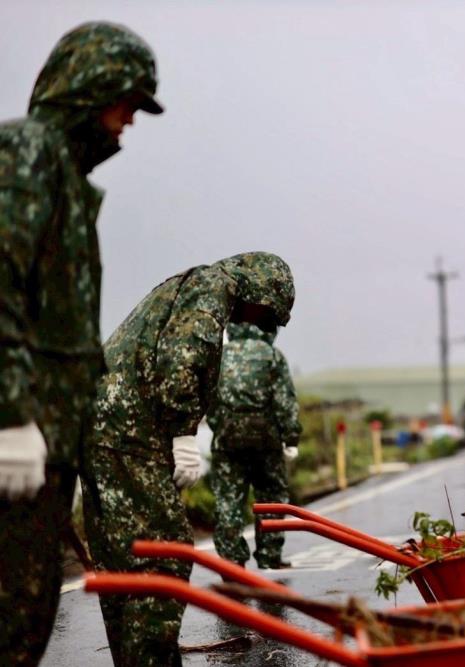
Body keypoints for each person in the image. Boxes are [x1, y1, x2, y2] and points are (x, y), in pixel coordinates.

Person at [0, 22, 163, 666]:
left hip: (44, 450)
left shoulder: (64, 178)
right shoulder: (29, 151)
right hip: (18, 441)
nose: (129, 122)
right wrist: (10, 415)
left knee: (26, 621)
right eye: (126, 102)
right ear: (91, 90)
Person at [81, 252, 294, 667]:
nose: (255, 326)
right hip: (129, 432)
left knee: (123, 558)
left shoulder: (192, 284)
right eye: (266, 316)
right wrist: (183, 432)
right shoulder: (215, 287)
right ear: (262, 292)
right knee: (165, 553)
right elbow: (182, 356)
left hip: (101, 426)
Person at [207, 319, 302, 569]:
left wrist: (220, 426)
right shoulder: (271, 355)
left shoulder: (219, 356)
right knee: (271, 495)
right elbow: (284, 401)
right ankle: (270, 555)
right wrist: (291, 437)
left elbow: (209, 399)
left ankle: (232, 562)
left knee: (228, 500)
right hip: (265, 439)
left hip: (227, 438)